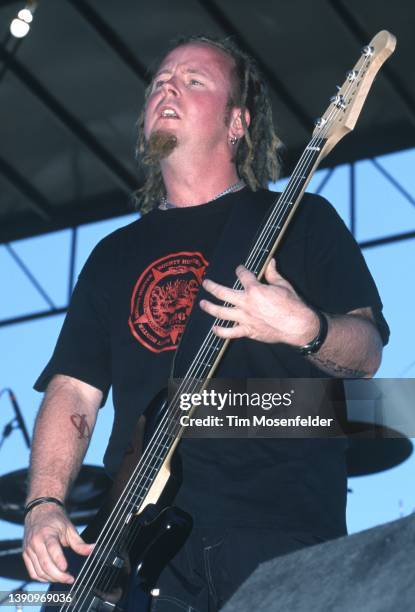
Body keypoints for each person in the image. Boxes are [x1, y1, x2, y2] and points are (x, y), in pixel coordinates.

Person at [22, 35, 389, 611]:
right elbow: (74, 388)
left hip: (279, 532)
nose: (167, 86)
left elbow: (366, 354)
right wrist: (44, 505)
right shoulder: (112, 256)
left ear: (237, 122)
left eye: (194, 80)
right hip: (140, 543)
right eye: (160, 82)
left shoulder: (300, 221)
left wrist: (305, 329)